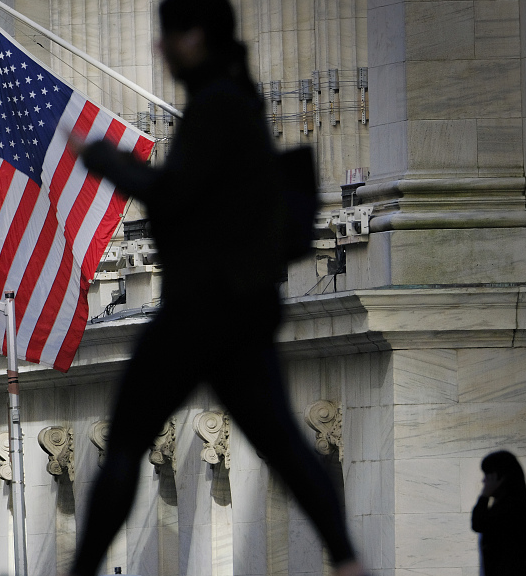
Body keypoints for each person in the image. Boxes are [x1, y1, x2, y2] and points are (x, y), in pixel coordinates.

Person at [65, 1, 366, 575]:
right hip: (238, 314)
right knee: (281, 443)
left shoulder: (219, 108)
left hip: (201, 312)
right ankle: (350, 561)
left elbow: (175, 194)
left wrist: (106, 159)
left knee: (127, 439)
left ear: (196, 39)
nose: (160, 50)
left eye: (169, 37)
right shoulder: (235, 103)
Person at [471, 450, 526, 576]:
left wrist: (484, 495)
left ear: (499, 476)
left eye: (487, 475)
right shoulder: (510, 505)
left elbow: (478, 523)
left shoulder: (509, 508)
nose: (484, 481)